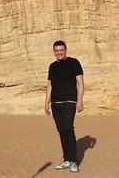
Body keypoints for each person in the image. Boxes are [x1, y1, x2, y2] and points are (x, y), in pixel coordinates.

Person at [44, 40, 84, 173]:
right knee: (61, 130)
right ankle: (66, 159)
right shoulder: (52, 66)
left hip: (69, 102)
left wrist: (80, 101)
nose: (59, 53)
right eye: (57, 51)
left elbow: (80, 83)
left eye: (61, 50)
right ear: (54, 52)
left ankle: (73, 161)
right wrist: (46, 103)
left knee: (68, 128)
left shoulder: (74, 62)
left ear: (65, 50)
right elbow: (50, 86)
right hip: (55, 104)